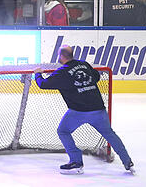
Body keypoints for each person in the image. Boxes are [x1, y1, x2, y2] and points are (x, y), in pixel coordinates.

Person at [34, 45, 135, 175]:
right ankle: (128, 162)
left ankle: (76, 161)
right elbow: (96, 77)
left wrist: (37, 73)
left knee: (63, 131)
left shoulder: (62, 72)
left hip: (78, 112)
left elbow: (43, 84)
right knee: (110, 134)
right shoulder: (84, 64)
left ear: (61, 56)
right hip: (99, 109)